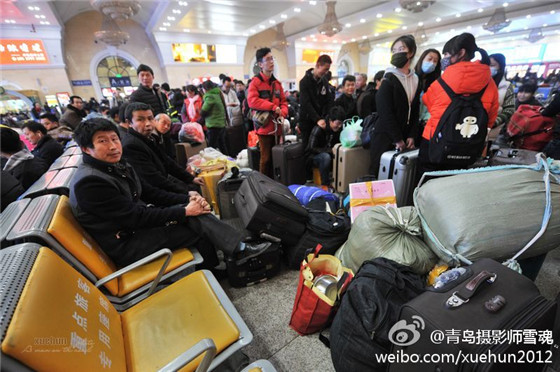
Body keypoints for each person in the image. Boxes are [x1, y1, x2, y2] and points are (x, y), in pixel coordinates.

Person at [69, 118, 265, 269]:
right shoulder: (90, 183)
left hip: (135, 228)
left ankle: (235, 250)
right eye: (102, 141)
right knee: (193, 226)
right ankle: (232, 256)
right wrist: (185, 211)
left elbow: (150, 192)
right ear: (86, 148)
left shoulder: (115, 164)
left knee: (193, 215)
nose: (112, 146)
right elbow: (134, 218)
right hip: (126, 243)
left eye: (114, 139)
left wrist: (189, 199)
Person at [419, 33, 499, 174]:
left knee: (425, 185)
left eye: (447, 54)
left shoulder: (443, 80)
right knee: (453, 185)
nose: (445, 59)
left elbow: (428, 102)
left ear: (461, 53)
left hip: (435, 144)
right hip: (467, 147)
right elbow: (490, 118)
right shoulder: (490, 83)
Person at [121, 102, 204, 195]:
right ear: (129, 123)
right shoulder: (131, 145)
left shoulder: (150, 137)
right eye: (140, 120)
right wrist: (186, 192)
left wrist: (191, 178)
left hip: (163, 183)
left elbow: (167, 161)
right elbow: (154, 180)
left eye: (150, 118)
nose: (148, 124)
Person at [368, 35, 421, 177]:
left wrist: (412, 135)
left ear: (411, 53)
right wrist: (397, 138)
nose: (397, 53)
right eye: (394, 50)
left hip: (404, 135)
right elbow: (385, 111)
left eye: (401, 49)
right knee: (379, 173)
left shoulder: (415, 79)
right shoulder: (389, 78)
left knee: (399, 175)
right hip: (385, 134)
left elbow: (415, 109)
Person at [247, 47, 289, 178]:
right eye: (268, 59)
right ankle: (263, 185)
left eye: (272, 58)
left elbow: (283, 102)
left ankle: (277, 184)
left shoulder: (277, 83)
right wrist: (272, 107)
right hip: (264, 128)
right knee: (265, 159)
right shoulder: (255, 82)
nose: (271, 62)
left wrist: (283, 112)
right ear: (260, 64)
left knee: (278, 157)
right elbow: (252, 101)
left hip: (277, 127)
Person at [298, 54, 334, 149]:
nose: (326, 72)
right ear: (318, 65)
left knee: (320, 148)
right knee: (308, 150)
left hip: (321, 120)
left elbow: (329, 100)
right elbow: (306, 103)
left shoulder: (324, 81)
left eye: (328, 70)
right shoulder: (304, 82)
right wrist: (317, 119)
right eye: (325, 69)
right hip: (307, 121)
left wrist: (327, 117)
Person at [305, 106, 345, 186]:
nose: (339, 126)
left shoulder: (337, 130)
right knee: (325, 157)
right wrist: (330, 150)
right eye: (337, 123)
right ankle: (325, 185)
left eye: (341, 124)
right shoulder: (319, 129)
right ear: (330, 121)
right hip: (313, 157)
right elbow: (311, 148)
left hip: (328, 153)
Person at [414, 48, 442, 143]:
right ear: (422, 59)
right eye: (429, 59)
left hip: (424, 124)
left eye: (435, 61)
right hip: (409, 122)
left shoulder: (437, 83)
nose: (432, 63)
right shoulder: (412, 77)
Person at [489, 53, 515, 134]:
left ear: (501, 67)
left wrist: (494, 122)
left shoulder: (507, 86)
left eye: (492, 65)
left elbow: (509, 109)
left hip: (492, 130)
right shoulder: (478, 83)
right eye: (487, 65)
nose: (489, 68)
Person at [200, 80, 228, 154]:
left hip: (214, 125)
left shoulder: (210, 96)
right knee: (222, 146)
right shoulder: (217, 94)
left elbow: (203, 112)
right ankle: (228, 162)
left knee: (211, 148)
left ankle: (214, 164)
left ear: (205, 89)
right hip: (220, 124)